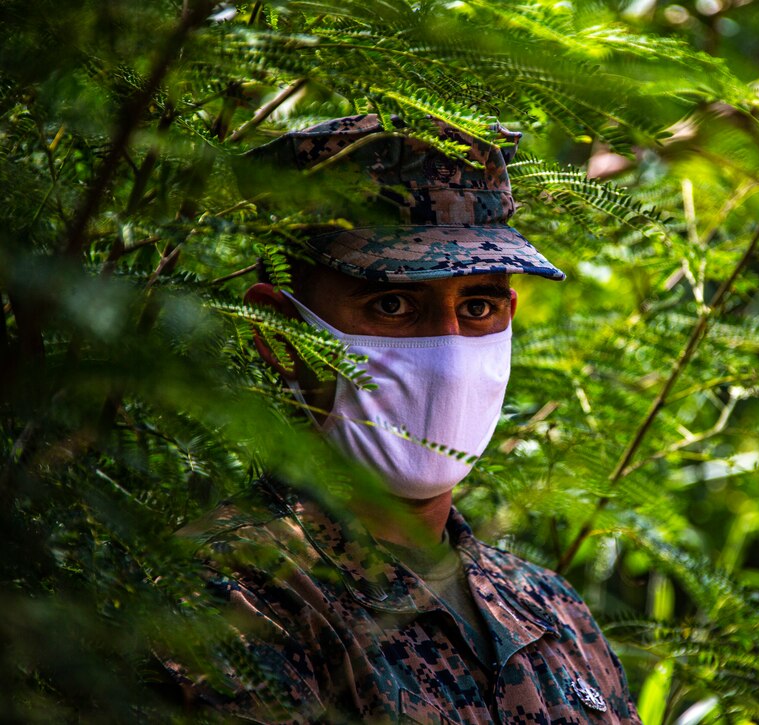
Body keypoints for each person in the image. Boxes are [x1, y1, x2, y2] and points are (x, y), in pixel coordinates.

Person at [166, 115, 641, 723]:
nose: (448, 355)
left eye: (478, 306)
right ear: (280, 334)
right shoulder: (226, 596)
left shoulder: (554, 614)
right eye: (392, 304)